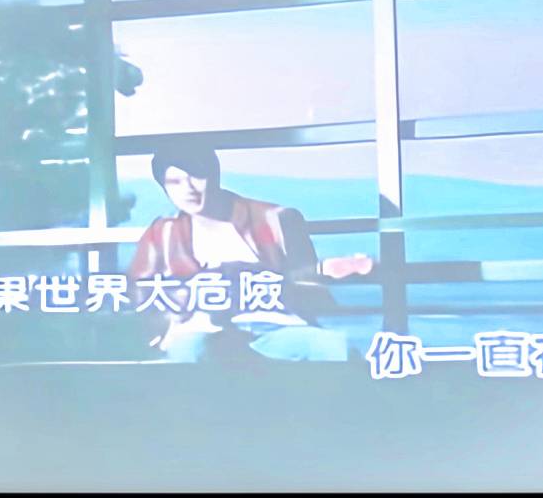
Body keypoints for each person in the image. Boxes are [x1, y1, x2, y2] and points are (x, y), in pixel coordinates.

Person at [126, 143, 376, 363]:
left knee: (332, 347)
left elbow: (308, 286)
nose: (188, 188)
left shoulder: (276, 219)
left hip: (275, 327)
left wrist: (325, 271)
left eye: (197, 177)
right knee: (191, 348)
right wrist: (172, 319)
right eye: (175, 182)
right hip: (201, 331)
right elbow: (138, 292)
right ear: (163, 187)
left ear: (214, 175)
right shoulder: (163, 232)